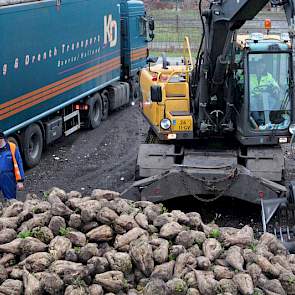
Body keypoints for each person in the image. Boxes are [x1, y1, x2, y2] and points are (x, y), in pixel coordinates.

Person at [0, 130, 24, 201]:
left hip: (8, 178)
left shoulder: (12, 147)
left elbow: (19, 164)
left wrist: (20, 181)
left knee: (10, 200)